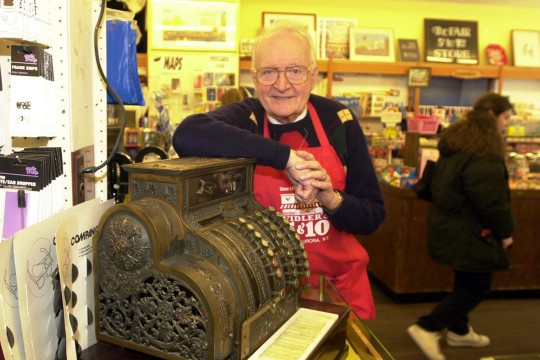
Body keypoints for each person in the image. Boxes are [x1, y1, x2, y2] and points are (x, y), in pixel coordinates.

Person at [172, 21, 386, 319]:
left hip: (338, 292)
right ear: (255, 78)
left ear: (313, 77)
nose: (282, 85)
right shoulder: (245, 118)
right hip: (263, 295)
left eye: (295, 71)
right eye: (269, 72)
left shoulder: (338, 120)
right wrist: (285, 158)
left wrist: (331, 200)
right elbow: (187, 135)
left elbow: (372, 217)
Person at [407, 93, 516, 360]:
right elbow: (492, 203)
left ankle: (459, 330)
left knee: (465, 279)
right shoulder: (484, 155)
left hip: (449, 227)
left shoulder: (456, 144)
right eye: (506, 117)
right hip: (471, 232)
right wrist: (505, 232)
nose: (507, 123)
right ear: (492, 116)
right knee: (476, 287)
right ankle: (427, 326)